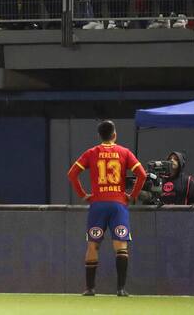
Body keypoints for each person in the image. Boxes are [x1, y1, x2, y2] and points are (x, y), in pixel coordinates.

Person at [66, 120, 147, 297]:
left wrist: (83, 194)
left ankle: (90, 289)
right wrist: (132, 195)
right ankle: (121, 289)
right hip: (118, 205)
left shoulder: (91, 153)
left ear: (99, 136)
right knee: (121, 246)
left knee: (93, 245)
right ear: (115, 134)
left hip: (98, 205)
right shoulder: (124, 152)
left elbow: (72, 174)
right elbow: (142, 174)